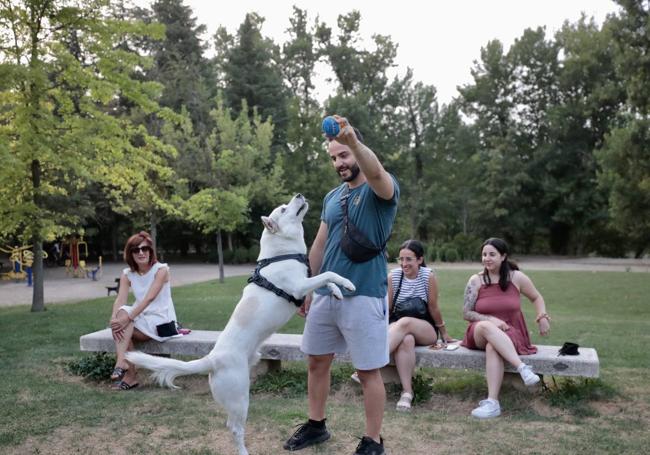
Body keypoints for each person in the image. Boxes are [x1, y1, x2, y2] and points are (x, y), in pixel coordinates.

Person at [283, 116, 399, 455]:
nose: (339, 163)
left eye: (344, 155)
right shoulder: (332, 198)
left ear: (356, 150)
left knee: (367, 372)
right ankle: (316, 425)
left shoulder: (381, 190)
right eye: (334, 158)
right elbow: (319, 245)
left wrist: (352, 140)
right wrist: (306, 286)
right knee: (317, 362)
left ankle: (373, 441)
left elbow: (376, 173)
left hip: (363, 294)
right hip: (325, 294)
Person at [352, 239, 456, 411]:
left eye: (409, 259)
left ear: (420, 260)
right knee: (406, 339)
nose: (404, 264)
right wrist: (377, 330)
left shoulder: (427, 275)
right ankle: (407, 393)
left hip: (426, 329)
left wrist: (444, 333)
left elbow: (433, 307)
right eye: (401, 259)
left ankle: (370, 364)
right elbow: (388, 308)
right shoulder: (394, 276)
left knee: (405, 323)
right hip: (398, 327)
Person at [461, 237, 551, 419]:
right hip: (479, 331)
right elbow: (466, 313)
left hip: (511, 333)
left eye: (492, 254)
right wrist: (491, 320)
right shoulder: (476, 280)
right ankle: (523, 368)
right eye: (484, 254)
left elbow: (537, 297)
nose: (487, 258)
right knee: (487, 327)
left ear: (503, 256)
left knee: (493, 346)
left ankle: (492, 403)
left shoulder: (516, 277)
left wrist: (542, 316)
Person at [108, 231, 180, 390]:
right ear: (130, 253)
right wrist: (114, 319)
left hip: (160, 321)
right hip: (139, 319)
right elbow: (120, 299)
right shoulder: (127, 274)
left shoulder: (161, 270)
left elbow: (149, 298)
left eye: (145, 249)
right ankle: (126, 368)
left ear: (150, 251)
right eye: (136, 250)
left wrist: (127, 318)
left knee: (125, 322)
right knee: (121, 315)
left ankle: (124, 367)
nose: (141, 253)